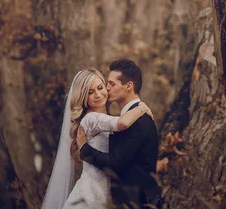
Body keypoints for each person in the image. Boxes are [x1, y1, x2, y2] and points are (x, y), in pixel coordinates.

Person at [42, 68, 152, 209]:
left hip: (102, 192)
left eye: (100, 87)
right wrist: (142, 107)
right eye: (90, 92)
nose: (98, 94)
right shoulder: (91, 119)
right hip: (89, 194)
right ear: (83, 97)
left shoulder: (104, 119)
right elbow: (122, 123)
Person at [77, 59, 162, 208]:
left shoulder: (136, 121)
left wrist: (84, 149)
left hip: (138, 201)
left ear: (129, 86)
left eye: (112, 84)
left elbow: (116, 163)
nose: (107, 88)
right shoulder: (132, 116)